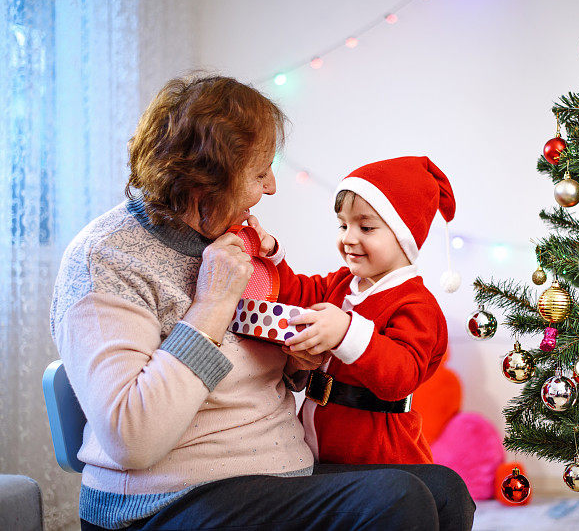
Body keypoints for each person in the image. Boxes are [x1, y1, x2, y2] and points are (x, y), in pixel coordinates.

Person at [50, 74, 474, 530]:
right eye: (258, 172)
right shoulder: (107, 258)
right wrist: (210, 306)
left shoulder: (234, 242)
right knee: (397, 499)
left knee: (446, 492)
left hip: (270, 475)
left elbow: (245, 375)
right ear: (205, 178)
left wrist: (298, 363)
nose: (270, 187)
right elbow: (130, 436)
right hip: (167, 499)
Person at [250, 157, 455, 465]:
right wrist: (273, 256)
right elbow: (297, 296)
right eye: (343, 225)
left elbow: (401, 375)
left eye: (366, 227)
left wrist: (346, 333)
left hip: (381, 455)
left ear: (405, 235)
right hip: (320, 440)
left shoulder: (415, 303)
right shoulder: (344, 282)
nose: (348, 238)